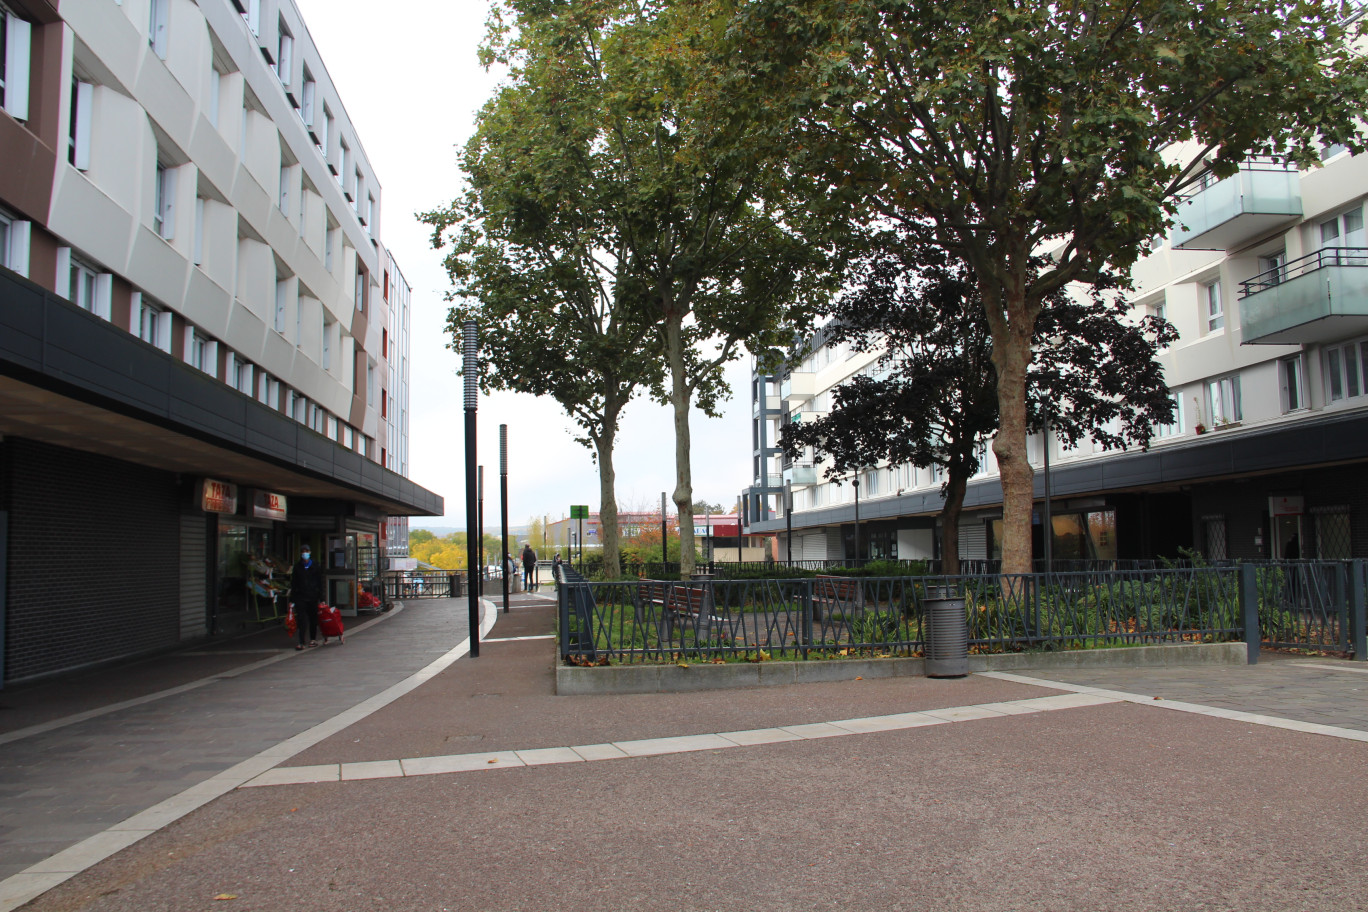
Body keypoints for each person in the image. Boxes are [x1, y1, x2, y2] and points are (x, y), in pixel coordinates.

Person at [288, 543, 325, 650]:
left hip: (313, 596)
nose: (305, 553)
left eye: (306, 551)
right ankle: (301, 641)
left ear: (310, 552)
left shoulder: (315, 566)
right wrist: (292, 599)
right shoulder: (297, 567)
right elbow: (294, 583)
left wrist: (321, 598)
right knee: (301, 619)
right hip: (300, 597)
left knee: (313, 618)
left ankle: (313, 639)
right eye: (303, 551)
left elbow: (319, 582)